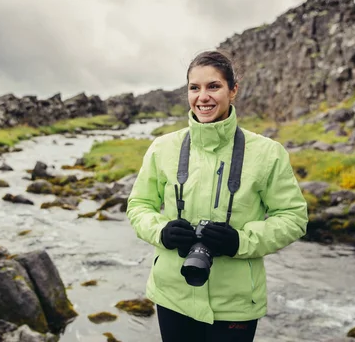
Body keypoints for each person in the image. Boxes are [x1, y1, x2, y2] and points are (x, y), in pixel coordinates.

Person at [126, 50, 308, 342]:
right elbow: (139, 205)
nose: (203, 97)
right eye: (194, 88)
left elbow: (293, 218)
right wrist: (162, 231)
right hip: (172, 294)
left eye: (214, 86)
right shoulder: (162, 148)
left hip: (235, 304)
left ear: (233, 90)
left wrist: (240, 241)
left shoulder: (267, 153)